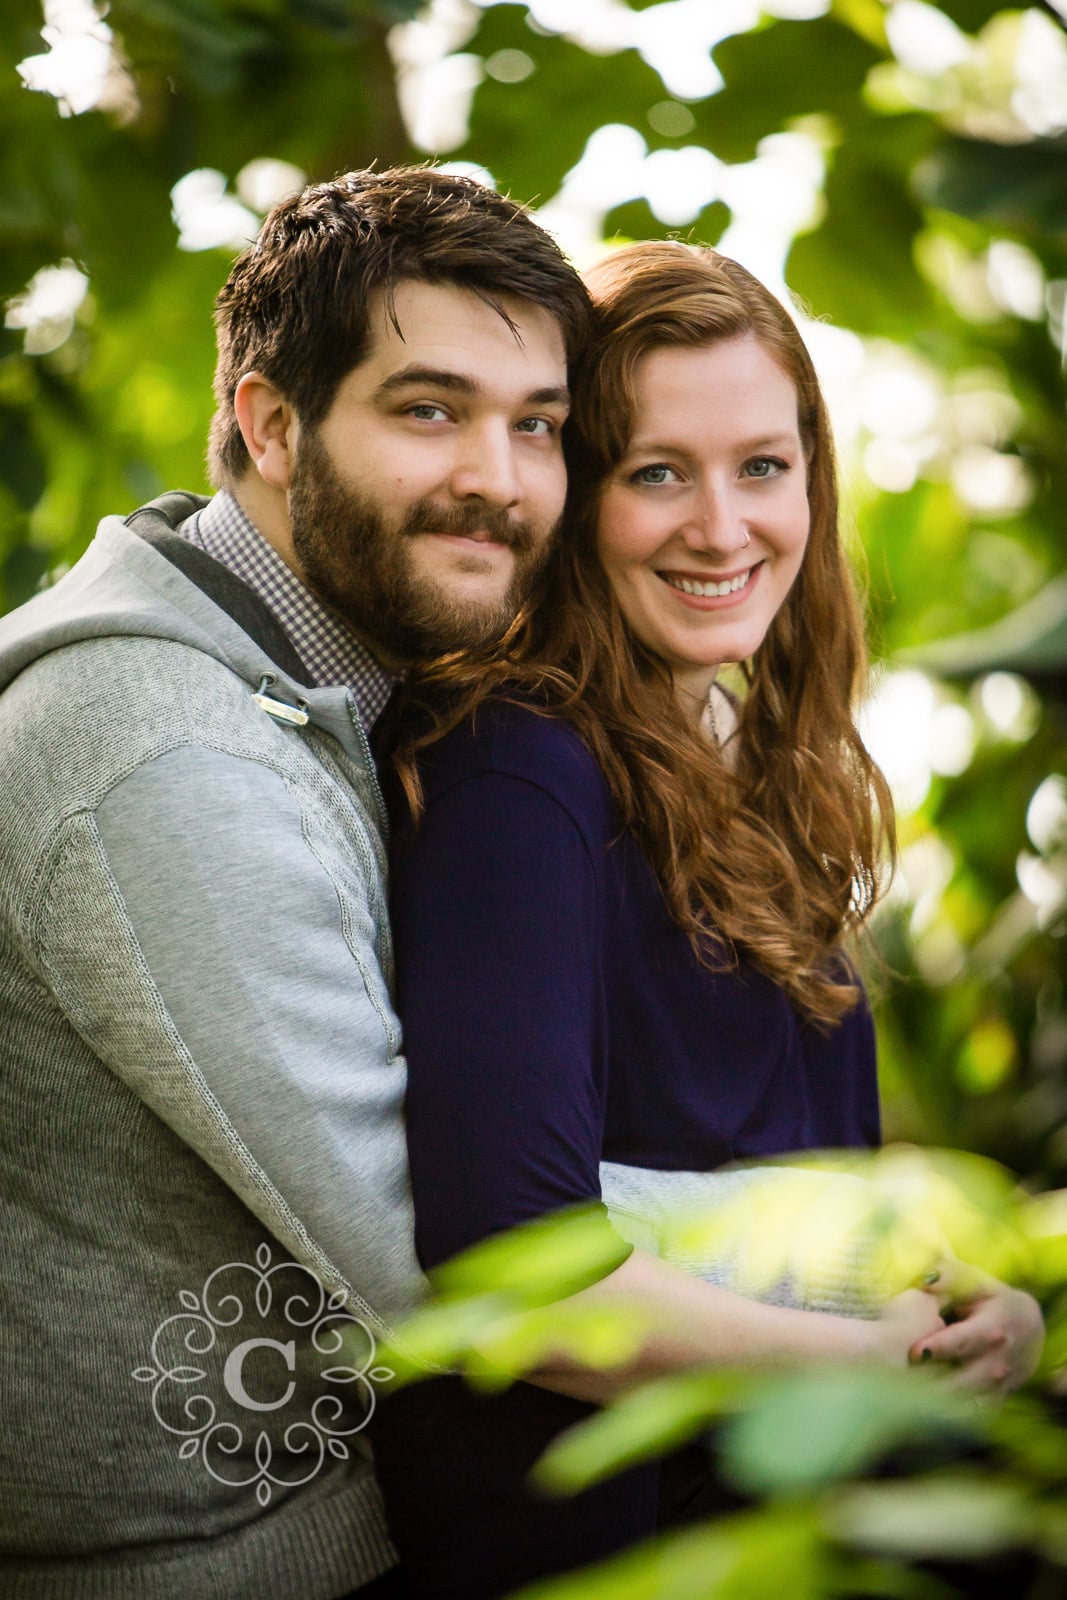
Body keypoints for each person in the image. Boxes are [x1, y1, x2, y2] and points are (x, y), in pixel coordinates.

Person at [371, 241, 1045, 1598]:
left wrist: (975, 1301)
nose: (723, 527)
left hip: (788, 1485)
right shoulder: (524, 775)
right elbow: (522, 1272)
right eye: (657, 472)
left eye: (764, 466)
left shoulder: (755, 767)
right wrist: (875, 1368)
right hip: (643, 1536)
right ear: (575, 496)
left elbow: (786, 1184)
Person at [0, 166, 592, 1599]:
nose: (499, 481)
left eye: (541, 428)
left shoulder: (293, 686)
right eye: (429, 409)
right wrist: (853, 1260)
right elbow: (455, 1249)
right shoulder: (161, 754)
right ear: (270, 423)